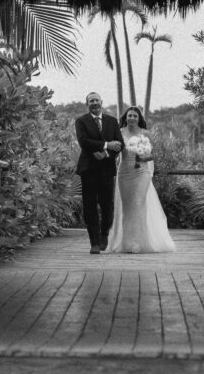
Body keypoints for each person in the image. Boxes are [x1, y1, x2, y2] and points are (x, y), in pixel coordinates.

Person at [106, 106, 175, 254]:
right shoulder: (119, 132)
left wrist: (142, 155)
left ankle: (139, 243)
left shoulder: (146, 134)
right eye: (129, 116)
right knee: (127, 207)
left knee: (138, 203)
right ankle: (126, 242)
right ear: (125, 117)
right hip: (124, 172)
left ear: (139, 118)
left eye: (135, 116)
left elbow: (152, 156)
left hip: (142, 173)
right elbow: (114, 151)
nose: (132, 118)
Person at [75, 92, 124, 254]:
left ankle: (104, 235)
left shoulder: (112, 121)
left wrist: (106, 152)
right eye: (91, 101)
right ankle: (94, 242)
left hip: (107, 169)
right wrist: (106, 145)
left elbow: (120, 144)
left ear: (101, 102)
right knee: (90, 206)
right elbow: (84, 142)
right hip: (88, 169)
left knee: (107, 205)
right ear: (86, 104)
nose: (94, 103)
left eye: (96, 100)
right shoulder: (81, 121)